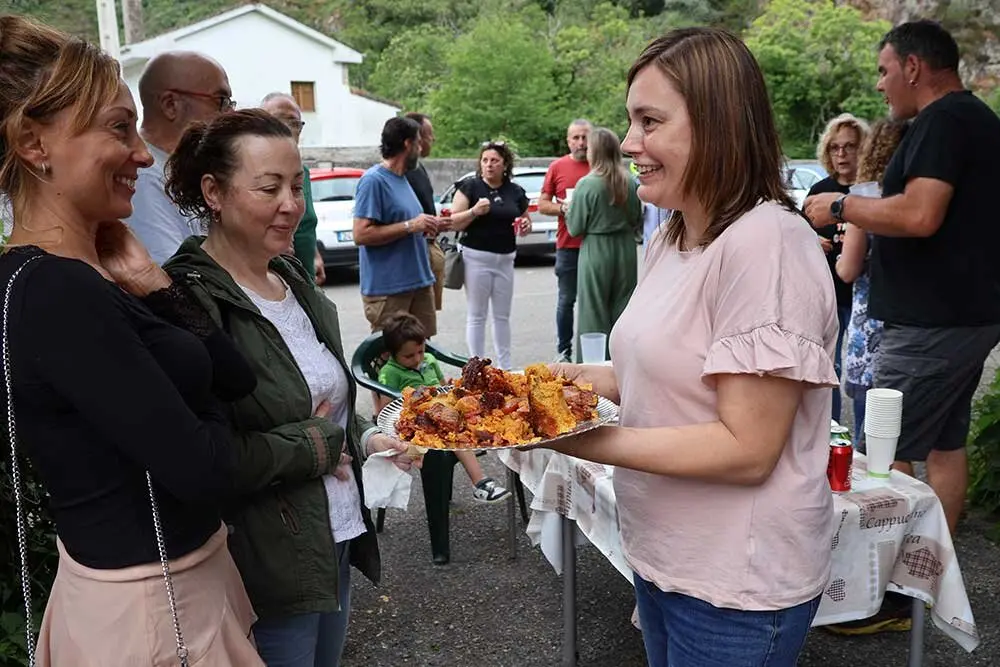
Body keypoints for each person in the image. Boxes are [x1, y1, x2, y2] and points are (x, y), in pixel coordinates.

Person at [547, 27, 839, 666]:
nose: (629, 144)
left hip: (735, 582)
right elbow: (649, 375)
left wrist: (573, 439)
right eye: (630, 122)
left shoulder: (766, 244)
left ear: (718, 125)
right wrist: (544, 383)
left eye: (650, 121)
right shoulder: (671, 237)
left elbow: (747, 449)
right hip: (662, 556)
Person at [0, 16, 261, 665]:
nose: (145, 155)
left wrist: (153, 282)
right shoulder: (57, 293)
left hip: (169, 595)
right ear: (36, 143)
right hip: (154, 620)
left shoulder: (93, 273)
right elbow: (207, 470)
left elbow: (235, 375)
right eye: (120, 128)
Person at [162, 109, 420, 666]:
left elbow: (325, 405)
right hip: (265, 557)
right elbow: (207, 455)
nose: (291, 204)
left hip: (336, 532)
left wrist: (369, 442)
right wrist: (319, 447)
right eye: (269, 187)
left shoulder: (290, 276)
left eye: (296, 187)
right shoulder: (188, 300)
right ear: (214, 192)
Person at [805, 20, 1000, 539]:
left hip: (929, 325)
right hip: (962, 317)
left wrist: (841, 204)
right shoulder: (974, 119)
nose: (879, 84)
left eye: (883, 70)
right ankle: (929, 574)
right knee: (944, 444)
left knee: (884, 454)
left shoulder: (943, 121)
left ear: (913, 67)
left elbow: (919, 215)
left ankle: (889, 595)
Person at [377, 311, 510, 504]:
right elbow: (386, 409)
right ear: (390, 354)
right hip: (414, 441)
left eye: (420, 351)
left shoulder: (429, 361)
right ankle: (480, 483)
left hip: (444, 421)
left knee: (465, 425)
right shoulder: (390, 373)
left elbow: (441, 387)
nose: (417, 359)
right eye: (408, 356)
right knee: (454, 440)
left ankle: (480, 449)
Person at [836, 119, 908, 446]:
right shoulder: (919, 198)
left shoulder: (864, 198)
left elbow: (848, 270)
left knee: (872, 441)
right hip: (912, 326)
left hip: (870, 329)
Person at [125, 51, 234, 264]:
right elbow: (179, 276)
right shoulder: (143, 178)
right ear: (170, 105)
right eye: (221, 101)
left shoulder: (180, 172)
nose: (229, 114)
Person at [806, 113, 870, 423]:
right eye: (835, 148)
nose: (842, 154)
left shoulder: (871, 192)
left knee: (865, 375)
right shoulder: (819, 189)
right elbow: (796, 234)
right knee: (827, 367)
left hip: (862, 298)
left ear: (864, 149)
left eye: (850, 147)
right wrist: (811, 241)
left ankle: (862, 446)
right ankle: (828, 433)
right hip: (826, 292)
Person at [353, 116, 440, 337]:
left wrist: (430, 225)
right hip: (390, 291)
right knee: (388, 361)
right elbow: (361, 234)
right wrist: (411, 225)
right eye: (419, 143)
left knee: (423, 357)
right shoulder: (373, 180)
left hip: (419, 283)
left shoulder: (402, 179)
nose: (422, 149)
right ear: (407, 144)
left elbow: (409, 225)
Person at [447, 141, 531, 368]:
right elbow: (453, 221)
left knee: (502, 316)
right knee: (477, 314)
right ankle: (477, 365)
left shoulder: (514, 191)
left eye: (494, 160)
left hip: (505, 259)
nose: (489, 165)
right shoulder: (470, 187)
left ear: (505, 164)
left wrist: (524, 226)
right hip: (476, 257)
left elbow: (526, 220)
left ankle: (505, 365)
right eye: (485, 160)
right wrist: (474, 211)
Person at [565, 127, 642, 361]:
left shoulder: (587, 184)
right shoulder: (629, 182)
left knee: (593, 311)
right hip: (625, 248)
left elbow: (575, 228)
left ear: (595, 152)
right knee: (623, 308)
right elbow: (636, 218)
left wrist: (569, 210)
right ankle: (623, 362)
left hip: (596, 249)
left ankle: (593, 366)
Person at [538, 119, 592, 362]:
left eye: (585, 137)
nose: (581, 142)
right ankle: (564, 351)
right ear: (568, 140)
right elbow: (542, 204)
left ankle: (593, 353)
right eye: (576, 137)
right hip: (568, 245)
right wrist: (564, 209)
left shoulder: (600, 166)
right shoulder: (557, 167)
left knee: (594, 303)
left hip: (596, 246)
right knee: (566, 300)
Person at [261, 92, 325, 285]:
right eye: (280, 120)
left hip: (305, 281)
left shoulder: (302, 172)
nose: (288, 129)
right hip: (275, 281)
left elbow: (306, 223)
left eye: (295, 123)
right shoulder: (253, 173)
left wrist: (315, 255)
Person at [404, 112, 446, 311]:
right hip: (415, 254)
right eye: (429, 134)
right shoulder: (402, 173)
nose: (433, 139)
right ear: (417, 139)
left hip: (429, 247)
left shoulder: (418, 168)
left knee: (426, 320)